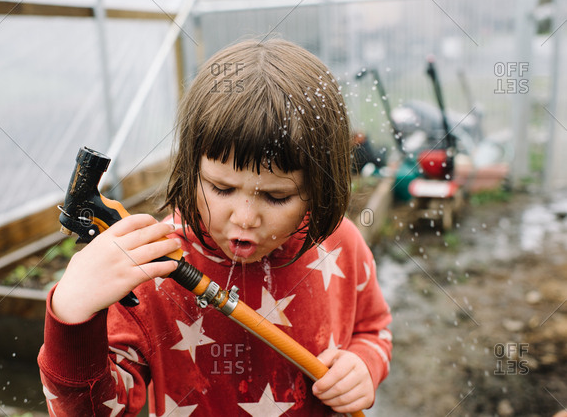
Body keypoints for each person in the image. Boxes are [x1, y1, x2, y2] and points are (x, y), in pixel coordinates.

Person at [38, 38, 392, 416]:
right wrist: (71, 319)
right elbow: (93, 411)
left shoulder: (339, 244)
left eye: (276, 197)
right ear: (191, 170)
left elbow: (373, 328)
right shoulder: (157, 268)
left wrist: (363, 366)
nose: (244, 217)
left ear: (322, 185)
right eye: (222, 188)